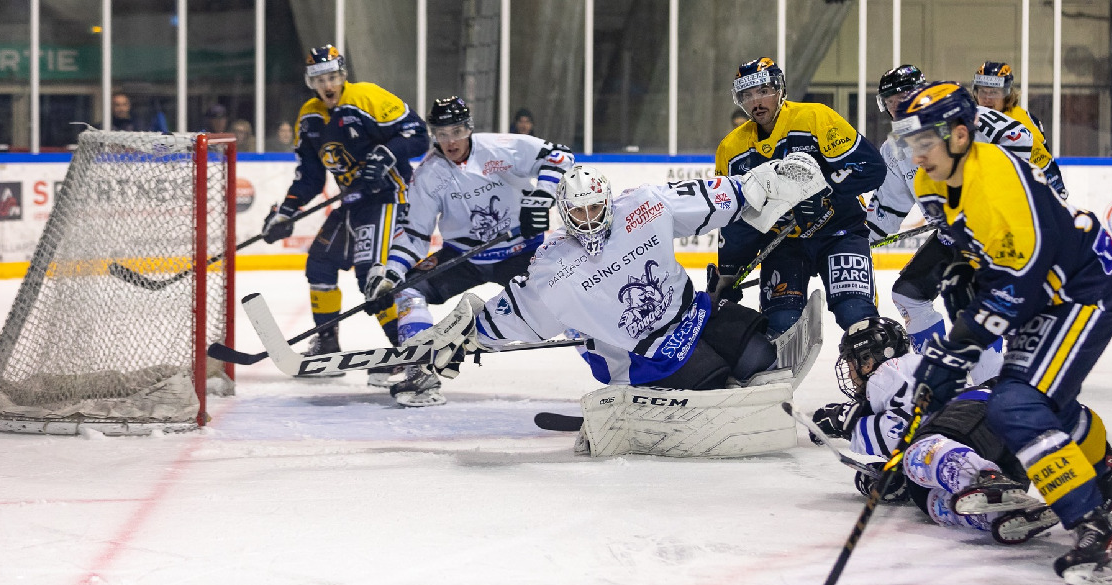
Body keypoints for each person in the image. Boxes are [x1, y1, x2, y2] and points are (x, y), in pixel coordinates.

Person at [891, 82, 1112, 585]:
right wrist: (961, 283)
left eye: (926, 141)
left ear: (960, 135)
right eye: (910, 142)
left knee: (1015, 405)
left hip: (1081, 289)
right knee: (1039, 405)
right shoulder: (931, 182)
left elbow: (1020, 282)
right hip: (1045, 292)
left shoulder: (996, 180)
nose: (917, 154)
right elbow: (967, 250)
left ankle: (1098, 533)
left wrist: (956, 347)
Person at [398, 157, 829, 401]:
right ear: (565, 214)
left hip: (694, 316)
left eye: (595, 208)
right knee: (714, 388)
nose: (589, 219)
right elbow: (519, 315)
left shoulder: (644, 206)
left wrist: (765, 185)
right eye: (578, 212)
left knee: (760, 360)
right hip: (641, 357)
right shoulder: (551, 265)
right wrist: (466, 338)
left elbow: (718, 197)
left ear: (608, 200)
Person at [811, 317, 1112, 545]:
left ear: (870, 359)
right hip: (988, 443)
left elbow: (898, 434)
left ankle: (987, 481)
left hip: (974, 417)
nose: (853, 374)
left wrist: (850, 421)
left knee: (921, 451)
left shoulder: (896, 370)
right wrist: (883, 479)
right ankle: (1007, 508)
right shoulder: (899, 379)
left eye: (855, 363)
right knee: (934, 502)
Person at [367, 96, 574, 406]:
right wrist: (392, 274)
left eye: (457, 131)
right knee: (407, 290)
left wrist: (541, 197)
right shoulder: (427, 175)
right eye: (442, 133)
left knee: (567, 301)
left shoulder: (500, 147)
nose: (450, 141)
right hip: (466, 257)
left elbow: (560, 156)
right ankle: (419, 368)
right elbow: (414, 234)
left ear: (469, 128)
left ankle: (615, 355)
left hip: (519, 251)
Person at [259, 44, 429, 369]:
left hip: (388, 197)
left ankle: (406, 350)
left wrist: (387, 154)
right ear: (310, 83)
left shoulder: (366, 96)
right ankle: (327, 341)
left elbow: (419, 135)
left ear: (343, 76)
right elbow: (309, 177)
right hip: (353, 202)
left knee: (373, 277)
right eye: (319, 79)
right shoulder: (309, 117)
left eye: (333, 76)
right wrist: (286, 211)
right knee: (320, 264)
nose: (327, 85)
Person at [868, 64, 1041, 352]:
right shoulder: (895, 148)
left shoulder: (956, 116)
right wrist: (851, 239)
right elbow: (886, 210)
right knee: (908, 294)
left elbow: (1021, 139)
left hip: (995, 232)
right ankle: (936, 367)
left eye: (905, 97)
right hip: (953, 236)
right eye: (891, 101)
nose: (899, 107)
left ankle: (989, 378)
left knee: (974, 301)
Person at [713, 57, 887, 337]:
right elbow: (737, 219)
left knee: (856, 315)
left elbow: (872, 169)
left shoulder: (815, 118)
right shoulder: (731, 150)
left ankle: (879, 373)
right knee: (780, 325)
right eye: (747, 95)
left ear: (780, 90)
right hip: (783, 245)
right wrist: (729, 271)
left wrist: (825, 192)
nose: (756, 102)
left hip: (839, 232)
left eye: (763, 91)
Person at [971, 61, 1066, 197]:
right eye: (982, 92)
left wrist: (1054, 197)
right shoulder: (973, 117)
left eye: (994, 92)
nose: (987, 99)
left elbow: (1045, 168)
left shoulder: (1021, 121)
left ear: (1007, 93)